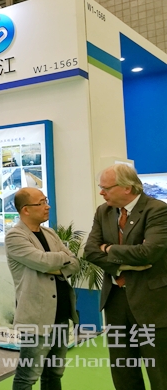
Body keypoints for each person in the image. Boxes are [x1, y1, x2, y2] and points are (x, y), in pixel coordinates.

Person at [85, 164, 167, 390]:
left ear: (127, 188)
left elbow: (148, 252)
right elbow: (90, 251)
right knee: (123, 370)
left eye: (106, 188)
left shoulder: (157, 210)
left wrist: (108, 249)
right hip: (115, 300)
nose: (101, 193)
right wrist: (123, 266)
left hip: (151, 303)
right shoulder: (103, 212)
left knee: (160, 371)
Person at [5, 187, 79, 390]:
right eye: (42, 203)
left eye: (46, 201)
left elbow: (75, 263)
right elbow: (43, 261)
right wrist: (63, 259)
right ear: (26, 209)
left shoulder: (49, 233)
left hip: (61, 314)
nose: (48, 206)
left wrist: (56, 263)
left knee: (54, 373)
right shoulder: (15, 236)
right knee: (28, 376)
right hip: (36, 317)